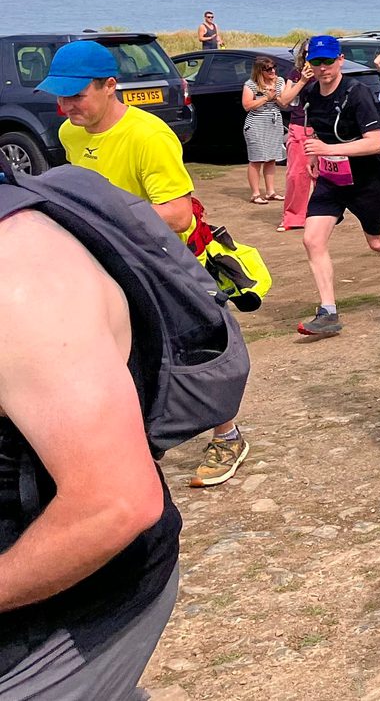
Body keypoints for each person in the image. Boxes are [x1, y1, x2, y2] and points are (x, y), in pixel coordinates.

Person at [37, 40, 250, 487]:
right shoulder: (70, 133)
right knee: (113, 353)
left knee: (191, 350)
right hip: (108, 260)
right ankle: (129, 446)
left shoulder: (148, 135)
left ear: (110, 86)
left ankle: (228, 435)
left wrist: (104, 219)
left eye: (76, 96)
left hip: (165, 260)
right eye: (60, 96)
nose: (65, 106)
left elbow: (177, 213)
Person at [0, 191, 181, 696]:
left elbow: (116, 504)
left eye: (75, 100)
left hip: (67, 611)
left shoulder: (21, 278)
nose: (68, 106)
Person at [283, 35, 380, 338]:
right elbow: (313, 129)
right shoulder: (311, 93)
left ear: (340, 60)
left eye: (327, 61)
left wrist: (327, 149)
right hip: (331, 179)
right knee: (312, 239)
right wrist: (313, 154)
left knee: (378, 242)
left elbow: (375, 144)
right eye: (316, 62)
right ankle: (328, 312)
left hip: (366, 179)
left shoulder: (357, 93)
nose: (322, 68)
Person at [275, 41, 313, 232]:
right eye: (306, 53)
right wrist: (303, 81)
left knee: (326, 175)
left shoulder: (327, 73)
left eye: (312, 53)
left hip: (324, 129)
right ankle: (293, 217)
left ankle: (321, 213)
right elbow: (284, 100)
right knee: (296, 175)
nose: (309, 57)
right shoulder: (296, 74)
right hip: (300, 127)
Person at [241, 56, 286, 206]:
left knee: (271, 157)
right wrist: (266, 98)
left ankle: (271, 191)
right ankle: (255, 193)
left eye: (274, 67)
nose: (273, 71)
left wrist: (276, 96)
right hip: (256, 123)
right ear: (260, 71)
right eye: (268, 69)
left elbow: (284, 102)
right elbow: (247, 105)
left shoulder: (279, 81)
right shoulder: (250, 85)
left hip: (274, 122)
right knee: (257, 158)